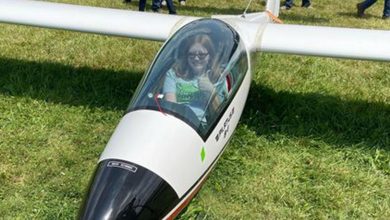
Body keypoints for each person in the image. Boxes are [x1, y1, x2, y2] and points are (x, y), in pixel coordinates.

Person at [163, 35, 229, 123]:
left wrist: (211, 91)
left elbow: (221, 115)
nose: (196, 58)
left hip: (200, 127)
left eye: (201, 55)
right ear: (186, 56)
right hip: (177, 121)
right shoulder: (174, 74)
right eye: (191, 54)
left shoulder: (216, 77)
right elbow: (171, 106)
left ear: (209, 56)